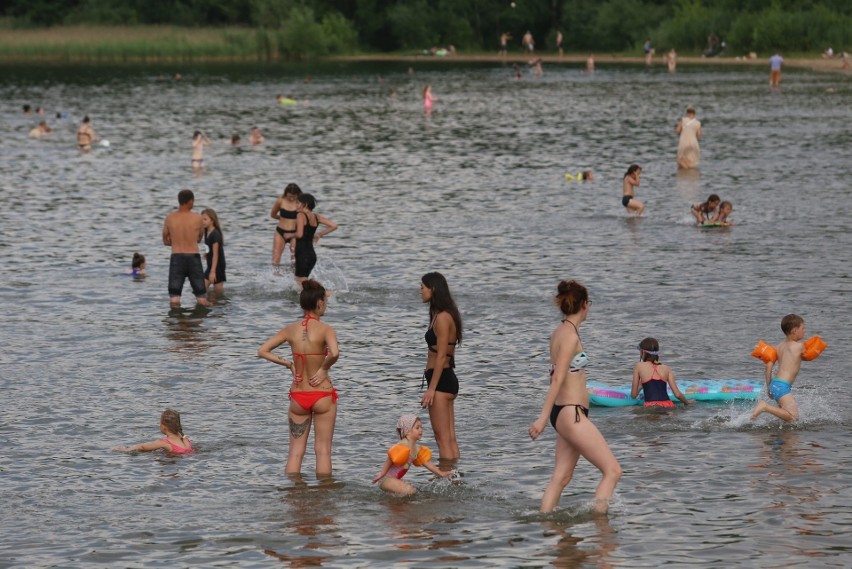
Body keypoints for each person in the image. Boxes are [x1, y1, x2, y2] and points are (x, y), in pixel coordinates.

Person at [529, 280, 621, 514]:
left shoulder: (558, 332)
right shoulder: (569, 335)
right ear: (584, 305)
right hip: (572, 414)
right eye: (589, 303)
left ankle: (546, 523)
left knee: (561, 477)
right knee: (613, 471)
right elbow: (558, 378)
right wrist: (541, 419)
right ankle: (601, 529)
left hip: (564, 413)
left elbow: (565, 376)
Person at [257, 279, 340, 475]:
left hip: (298, 396)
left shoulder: (290, 329)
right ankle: (323, 494)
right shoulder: (326, 329)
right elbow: (335, 353)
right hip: (322, 394)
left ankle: (293, 495)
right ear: (319, 303)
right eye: (325, 302)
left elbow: (262, 350)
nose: (325, 305)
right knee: (323, 452)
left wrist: (288, 363)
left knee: (295, 453)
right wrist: (323, 369)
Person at [420, 272, 462, 461]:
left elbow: (442, 355)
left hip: (441, 381)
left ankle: (447, 478)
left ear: (433, 289)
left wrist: (431, 389)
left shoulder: (443, 318)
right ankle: (454, 480)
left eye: (423, 287)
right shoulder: (441, 315)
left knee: (443, 440)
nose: (420, 291)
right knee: (450, 439)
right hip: (445, 379)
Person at [751, 314, 816, 423]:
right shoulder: (799, 347)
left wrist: (769, 387)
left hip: (775, 384)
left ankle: (780, 439)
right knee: (794, 417)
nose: (804, 331)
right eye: (803, 328)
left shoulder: (778, 347)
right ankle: (764, 406)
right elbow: (808, 355)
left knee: (785, 419)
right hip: (782, 386)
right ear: (795, 331)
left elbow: (768, 367)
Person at [372, 414, 452, 496]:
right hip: (386, 479)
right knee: (410, 491)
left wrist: (441, 473)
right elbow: (389, 459)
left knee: (408, 493)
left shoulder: (417, 449)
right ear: (407, 432)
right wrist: (382, 473)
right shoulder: (403, 444)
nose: (421, 430)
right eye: (417, 428)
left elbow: (427, 463)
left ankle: (394, 506)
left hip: (394, 480)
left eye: (421, 427)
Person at [162, 189, 209, 307]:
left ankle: (176, 322)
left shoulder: (170, 218)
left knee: (174, 298)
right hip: (193, 257)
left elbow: (165, 241)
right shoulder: (198, 218)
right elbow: (198, 239)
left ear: (179, 201)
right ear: (190, 201)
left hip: (176, 258)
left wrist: (177, 241)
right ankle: (200, 323)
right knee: (201, 298)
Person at [282, 193, 337, 285]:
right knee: (303, 282)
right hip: (311, 256)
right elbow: (334, 225)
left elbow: (299, 234)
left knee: (300, 284)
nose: (296, 205)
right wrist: (319, 234)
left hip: (302, 255)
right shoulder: (316, 217)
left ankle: (322, 293)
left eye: (298, 203)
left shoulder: (300, 215)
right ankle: (318, 293)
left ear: (305, 204)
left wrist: (288, 235)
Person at [630, 338, 692, 408]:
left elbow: (633, 395)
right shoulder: (666, 368)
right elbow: (677, 394)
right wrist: (687, 402)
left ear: (643, 352)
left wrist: (641, 386)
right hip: (668, 405)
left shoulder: (638, 366)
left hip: (651, 406)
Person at [112, 409, 193, 454]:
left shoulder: (165, 442)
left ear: (164, 426)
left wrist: (125, 450)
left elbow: (142, 447)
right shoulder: (184, 438)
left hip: (176, 455)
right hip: (188, 453)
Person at [271, 183, 303, 266]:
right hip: (280, 232)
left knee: (295, 257)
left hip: (295, 233)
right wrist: (283, 219)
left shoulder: (301, 203)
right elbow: (273, 215)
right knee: (276, 257)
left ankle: (294, 276)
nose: (291, 198)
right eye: (289, 196)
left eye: (294, 196)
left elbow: (306, 218)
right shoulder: (280, 200)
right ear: (286, 193)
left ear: (298, 194)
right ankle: (275, 276)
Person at [201, 208, 226, 294]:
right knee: (201, 289)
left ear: (212, 220)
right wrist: (207, 253)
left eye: (205, 219)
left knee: (218, 292)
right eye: (201, 219)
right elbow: (209, 247)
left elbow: (216, 254)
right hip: (211, 265)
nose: (202, 221)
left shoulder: (215, 234)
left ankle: (222, 305)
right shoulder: (206, 231)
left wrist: (212, 272)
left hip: (217, 266)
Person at [675, 105, 702, 169]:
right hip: (693, 143)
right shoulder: (698, 123)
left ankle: (685, 173)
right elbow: (699, 134)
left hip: (684, 143)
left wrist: (682, 134)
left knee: (680, 160)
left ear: (687, 113)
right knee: (691, 161)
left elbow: (677, 131)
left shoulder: (683, 120)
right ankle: (691, 175)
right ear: (694, 114)